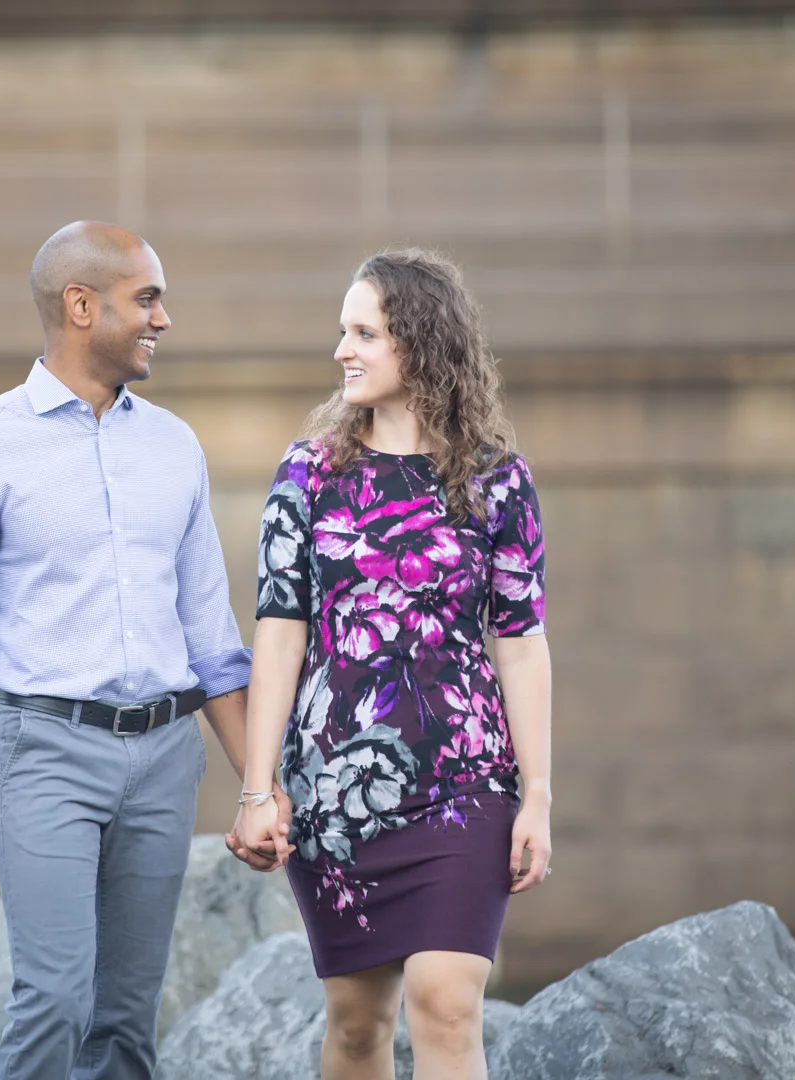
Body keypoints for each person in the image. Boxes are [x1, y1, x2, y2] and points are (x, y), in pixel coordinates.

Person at [0, 220, 277, 1080]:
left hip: (166, 757)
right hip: (48, 754)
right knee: (55, 1001)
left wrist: (259, 788)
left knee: (127, 1020)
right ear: (81, 306)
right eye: (147, 299)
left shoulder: (175, 446)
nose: (163, 319)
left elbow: (213, 642)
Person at [232, 249, 553, 1080]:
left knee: (447, 1003)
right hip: (338, 789)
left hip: (465, 781)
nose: (342, 350)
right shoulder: (308, 474)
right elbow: (279, 634)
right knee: (355, 1023)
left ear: (420, 342)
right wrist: (259, 789)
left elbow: (521, 643)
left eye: (365, 333)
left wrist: (538, 795)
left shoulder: (498, 481)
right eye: (344, 331)